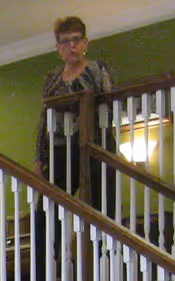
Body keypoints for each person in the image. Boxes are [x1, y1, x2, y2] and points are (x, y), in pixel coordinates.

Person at [35, 16, 116, 215]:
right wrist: (39, 158)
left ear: (84, 43)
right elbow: (45, 118)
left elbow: (109, 103)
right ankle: (49, 246)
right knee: (48, 209)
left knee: (101, 206)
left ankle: (101, 246)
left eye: (76, 39)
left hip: (95, 143)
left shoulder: (97, 69)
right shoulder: (52, 79)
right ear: (58, 47)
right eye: (65, 41)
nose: (71, 45)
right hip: (61, 147)